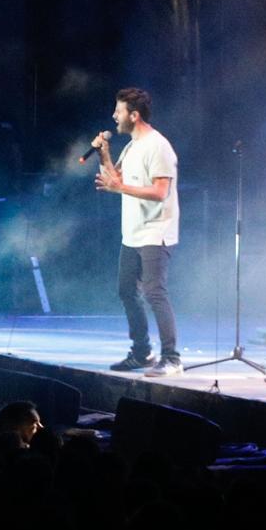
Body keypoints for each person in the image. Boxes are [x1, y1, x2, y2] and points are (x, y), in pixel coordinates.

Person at [92, 87, 181, 376]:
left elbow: (160, 191)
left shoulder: (158, 146)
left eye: (118, 111)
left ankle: (172, 358)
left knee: (155, 292)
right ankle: (142, 352)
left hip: (156, 231)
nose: (114, 116)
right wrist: (104, 154)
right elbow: (114, 179)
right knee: (126, 291)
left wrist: (120, 187)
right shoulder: (131, 146)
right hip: (132, 232)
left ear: (134, 114)